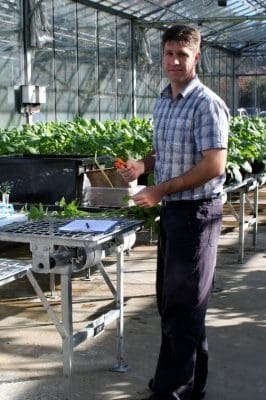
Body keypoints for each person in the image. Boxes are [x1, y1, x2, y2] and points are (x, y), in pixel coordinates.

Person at [119, 25, 229, 400]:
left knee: (184, 306)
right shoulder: (163, 100)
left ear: (196, 57)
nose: (174, 61)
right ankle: (189, 384)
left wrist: (160, 189)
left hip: (197, 214)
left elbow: (213, 164)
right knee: (174, 304)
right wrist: (142, 166)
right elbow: (164, 155)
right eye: (169, 53)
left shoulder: (206, 103)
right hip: (173, 213)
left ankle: (173, 391)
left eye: (182, 54)